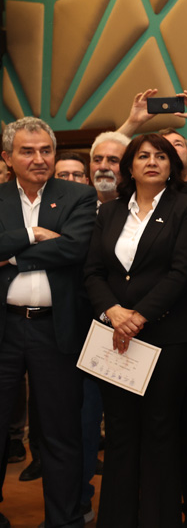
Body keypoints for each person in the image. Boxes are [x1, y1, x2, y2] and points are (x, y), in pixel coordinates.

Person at [83, 134, 187, 527]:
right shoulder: (110, 211)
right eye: (143, 156)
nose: (152, 162)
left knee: (159, 428)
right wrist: (113, 311)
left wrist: (139, 316)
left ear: (173, 166)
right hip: (115, 336)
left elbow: (182, 272)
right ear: (129, 167)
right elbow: (93, 272)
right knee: (119, 430)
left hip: (168, 336)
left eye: (161, 156)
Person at [0, 117, 96, 527]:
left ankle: (64, 520)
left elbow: (75, 249)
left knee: (60, 432)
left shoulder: (78, 195)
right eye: (27, 151)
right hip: (4, 329)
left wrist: (11, 254)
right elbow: (59, 248)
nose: (39, 159)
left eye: (46, 150)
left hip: (55, 330)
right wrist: (35, 234)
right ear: (7, 157)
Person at [91, 131, 130, 205]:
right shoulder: (78, 206)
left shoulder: (140, 207)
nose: (103, 167)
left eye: (113, 161)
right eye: (97, 160)